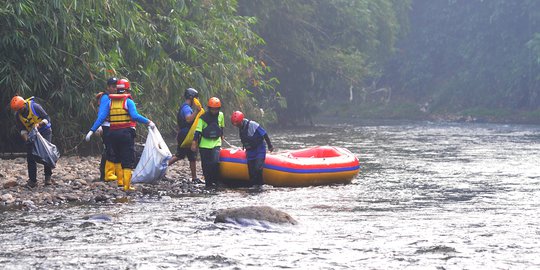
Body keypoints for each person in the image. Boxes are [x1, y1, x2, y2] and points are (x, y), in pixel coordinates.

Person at [85, 78, 155, 191]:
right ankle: (127, 186)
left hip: (113, 133)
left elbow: (101, 117)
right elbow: (135, 116)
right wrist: (148, 122)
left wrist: (91, 131)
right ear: (127, 89)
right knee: (127, 159)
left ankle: (120, 182)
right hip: (125, 133)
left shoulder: (110, 102)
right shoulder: (128, 101)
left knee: (116, 157)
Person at [10, 95, 54, 188]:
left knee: (46, 154)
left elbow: (47, 118)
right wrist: (27, 140)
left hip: (44, 131)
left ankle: (48, 177)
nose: (19, 111)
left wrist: (39, 125)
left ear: (24, 105)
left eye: (20, 109)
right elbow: (22, 130)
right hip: (32, 135)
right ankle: (33, 180)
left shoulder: (35, 107)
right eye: (17, 110)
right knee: (30, 156)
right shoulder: (17, 116)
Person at [230, 111, 274, 187]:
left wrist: (270, 145)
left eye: (237, 124)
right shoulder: (241, 127)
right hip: (250, 151)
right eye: (235, 125)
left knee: (258, 169)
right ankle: (253, 187)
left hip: (259, 149)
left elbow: (264, 134)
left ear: (241, 121)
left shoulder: (252, 125)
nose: (237, 126)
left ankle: (260, 186)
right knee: (251, 172)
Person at [168, 88, 202, 183]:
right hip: (186, 135)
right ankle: (161, 169)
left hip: (185, 133)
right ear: (192, 98)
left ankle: (194, 178)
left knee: (192, 156)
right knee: (180, 155)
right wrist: (197, 111)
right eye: (196, 98)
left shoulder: (185, 107)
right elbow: (188, 119)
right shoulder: (186, 108)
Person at [191, 97, 224, 188]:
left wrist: (222, 135)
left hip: (216, 143)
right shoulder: (203, 118)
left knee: (215, 162)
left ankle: (216, 181)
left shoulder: (221, 115)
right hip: (204, 145)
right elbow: (198, 131)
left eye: (216, 109)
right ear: (209, 108)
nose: (214, 111)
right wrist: (194, 142)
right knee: (206, 165)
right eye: (212, 109)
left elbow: (221, 127)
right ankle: (208, 183)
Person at [93, 77, 118, 183]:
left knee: (114, 148)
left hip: (114, 126)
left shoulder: (117, 97)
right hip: (106, 126)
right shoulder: (105, 98)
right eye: (113, 87)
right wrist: (98, 126)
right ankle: (104, 174)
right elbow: (101, 113)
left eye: (116, 86)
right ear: (108, 87)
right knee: (108, 149)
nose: (115, 89)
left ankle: (113, 173)